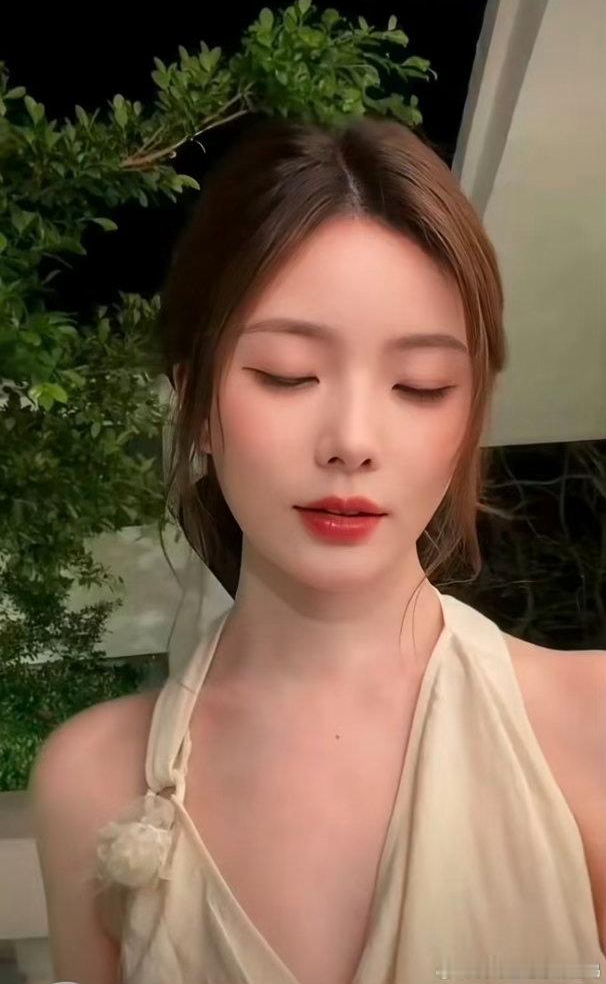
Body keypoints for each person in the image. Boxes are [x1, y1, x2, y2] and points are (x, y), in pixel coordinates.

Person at [30, 115, 605, 984]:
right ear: (197, 402)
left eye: (421, 386)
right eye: (288, 375)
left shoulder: (591, 725)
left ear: (468, 417)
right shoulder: (90, 781)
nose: (352, 441)